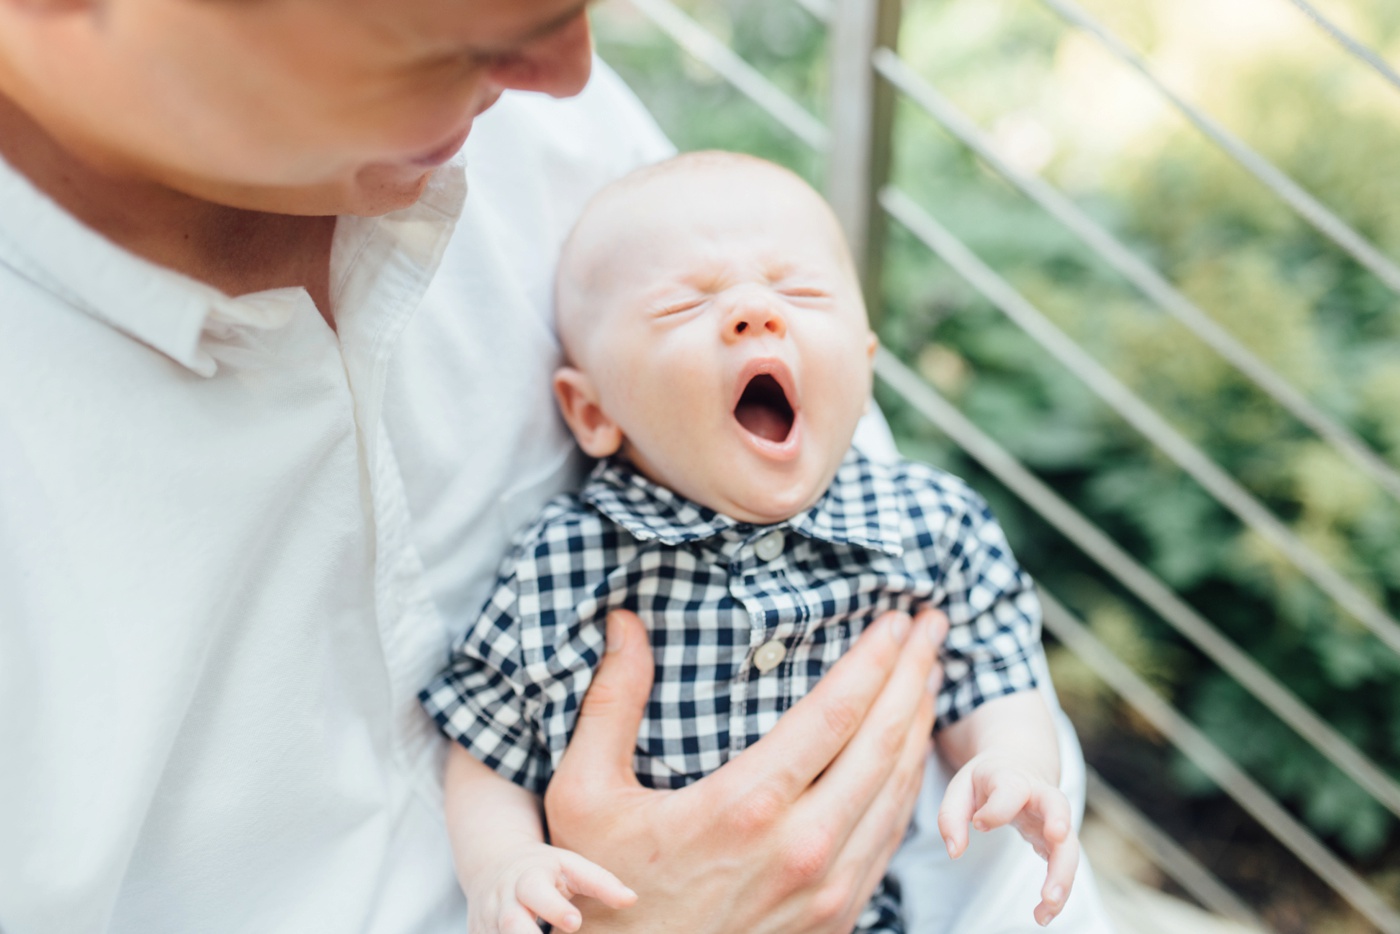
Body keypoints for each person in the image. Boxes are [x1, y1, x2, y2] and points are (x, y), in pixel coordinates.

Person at [0, 0, 1112, 930]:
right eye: (451, 30)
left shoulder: (557, 154)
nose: (566, 72)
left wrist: (1011, 781)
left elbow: (941, 676)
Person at [421, 152, 1080, 934]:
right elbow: (487, 745)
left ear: (864, 371)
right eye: (682, 306)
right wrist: (504, 862)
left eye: (798, 291)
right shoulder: (567, 565)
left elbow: (998, 671)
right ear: (592, 411)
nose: (754, 312)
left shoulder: (931, 526)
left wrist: (1017, 761)